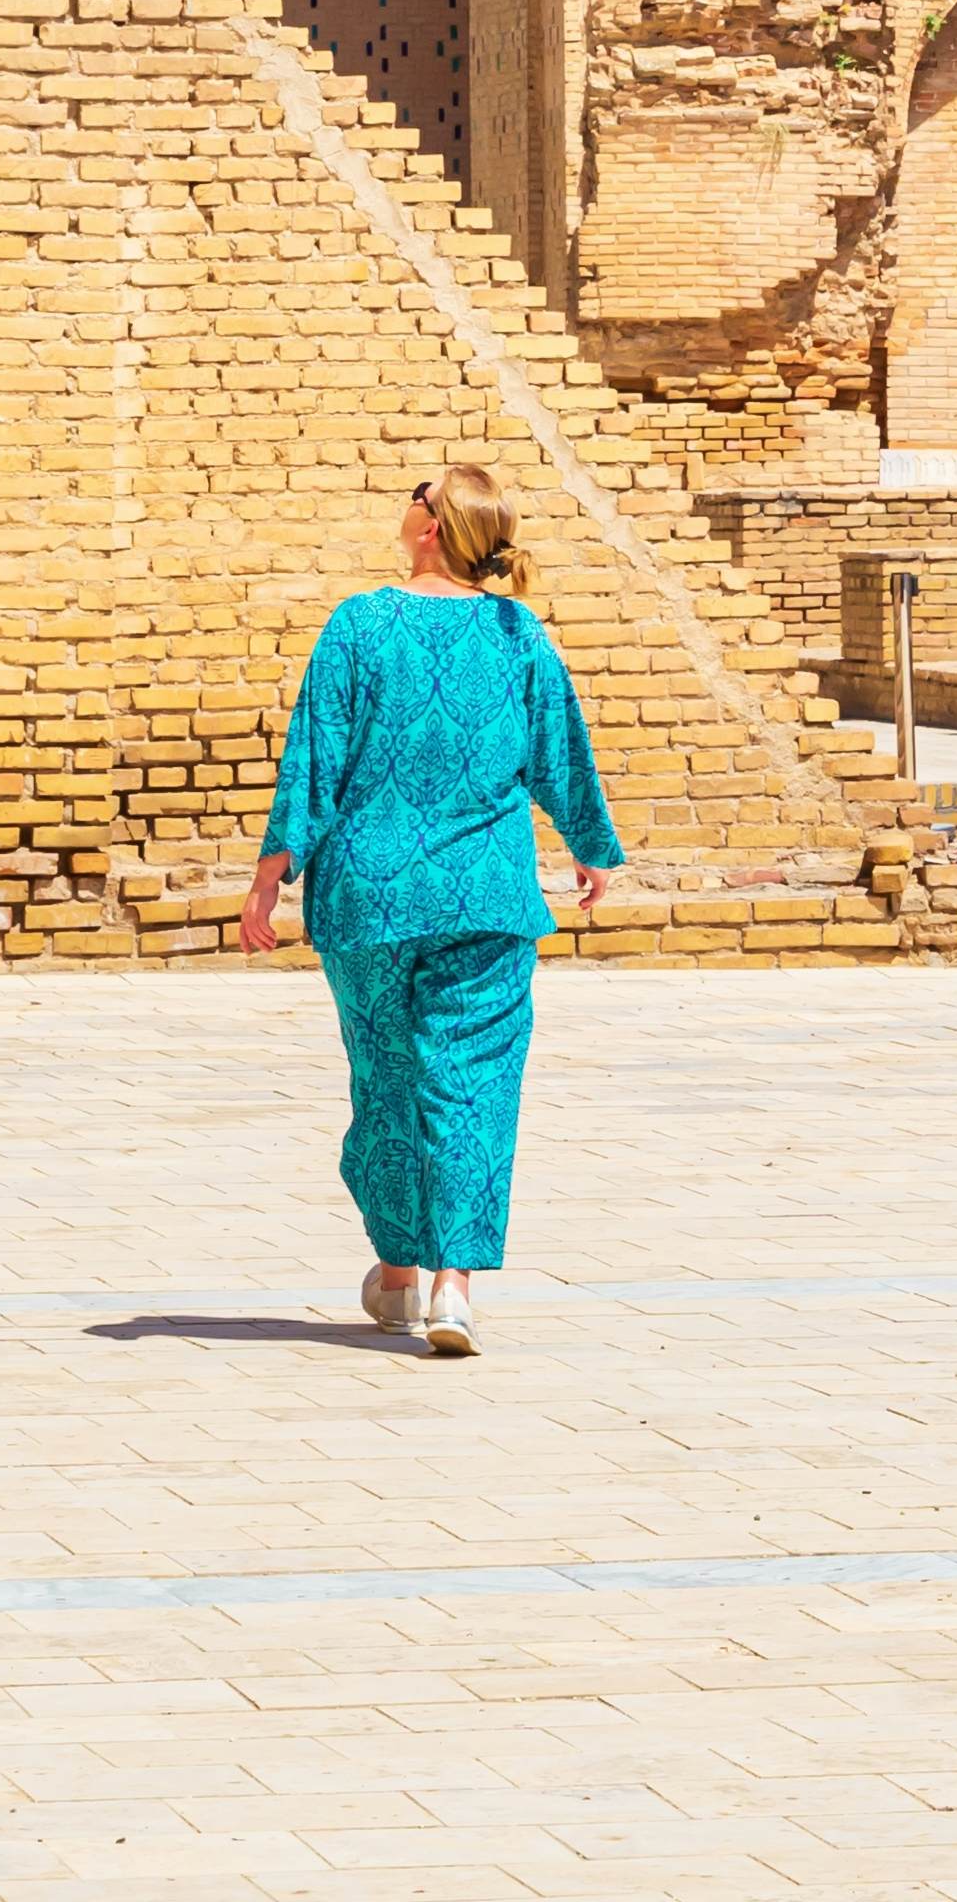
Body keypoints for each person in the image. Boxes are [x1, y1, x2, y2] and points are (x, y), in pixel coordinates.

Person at [240, 460, 624, 1358]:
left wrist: (269, 878)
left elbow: (314, 760)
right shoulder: (515, 632)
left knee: (387, 1083)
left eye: (415, 493)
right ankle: (450, 1287)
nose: (403, 500)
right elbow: (561, 751)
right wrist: (591, 848)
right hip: (487, 896)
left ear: (430, 526)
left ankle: (399, 1272)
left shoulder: (360, 626)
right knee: (472, 1083)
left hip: (369, 899)